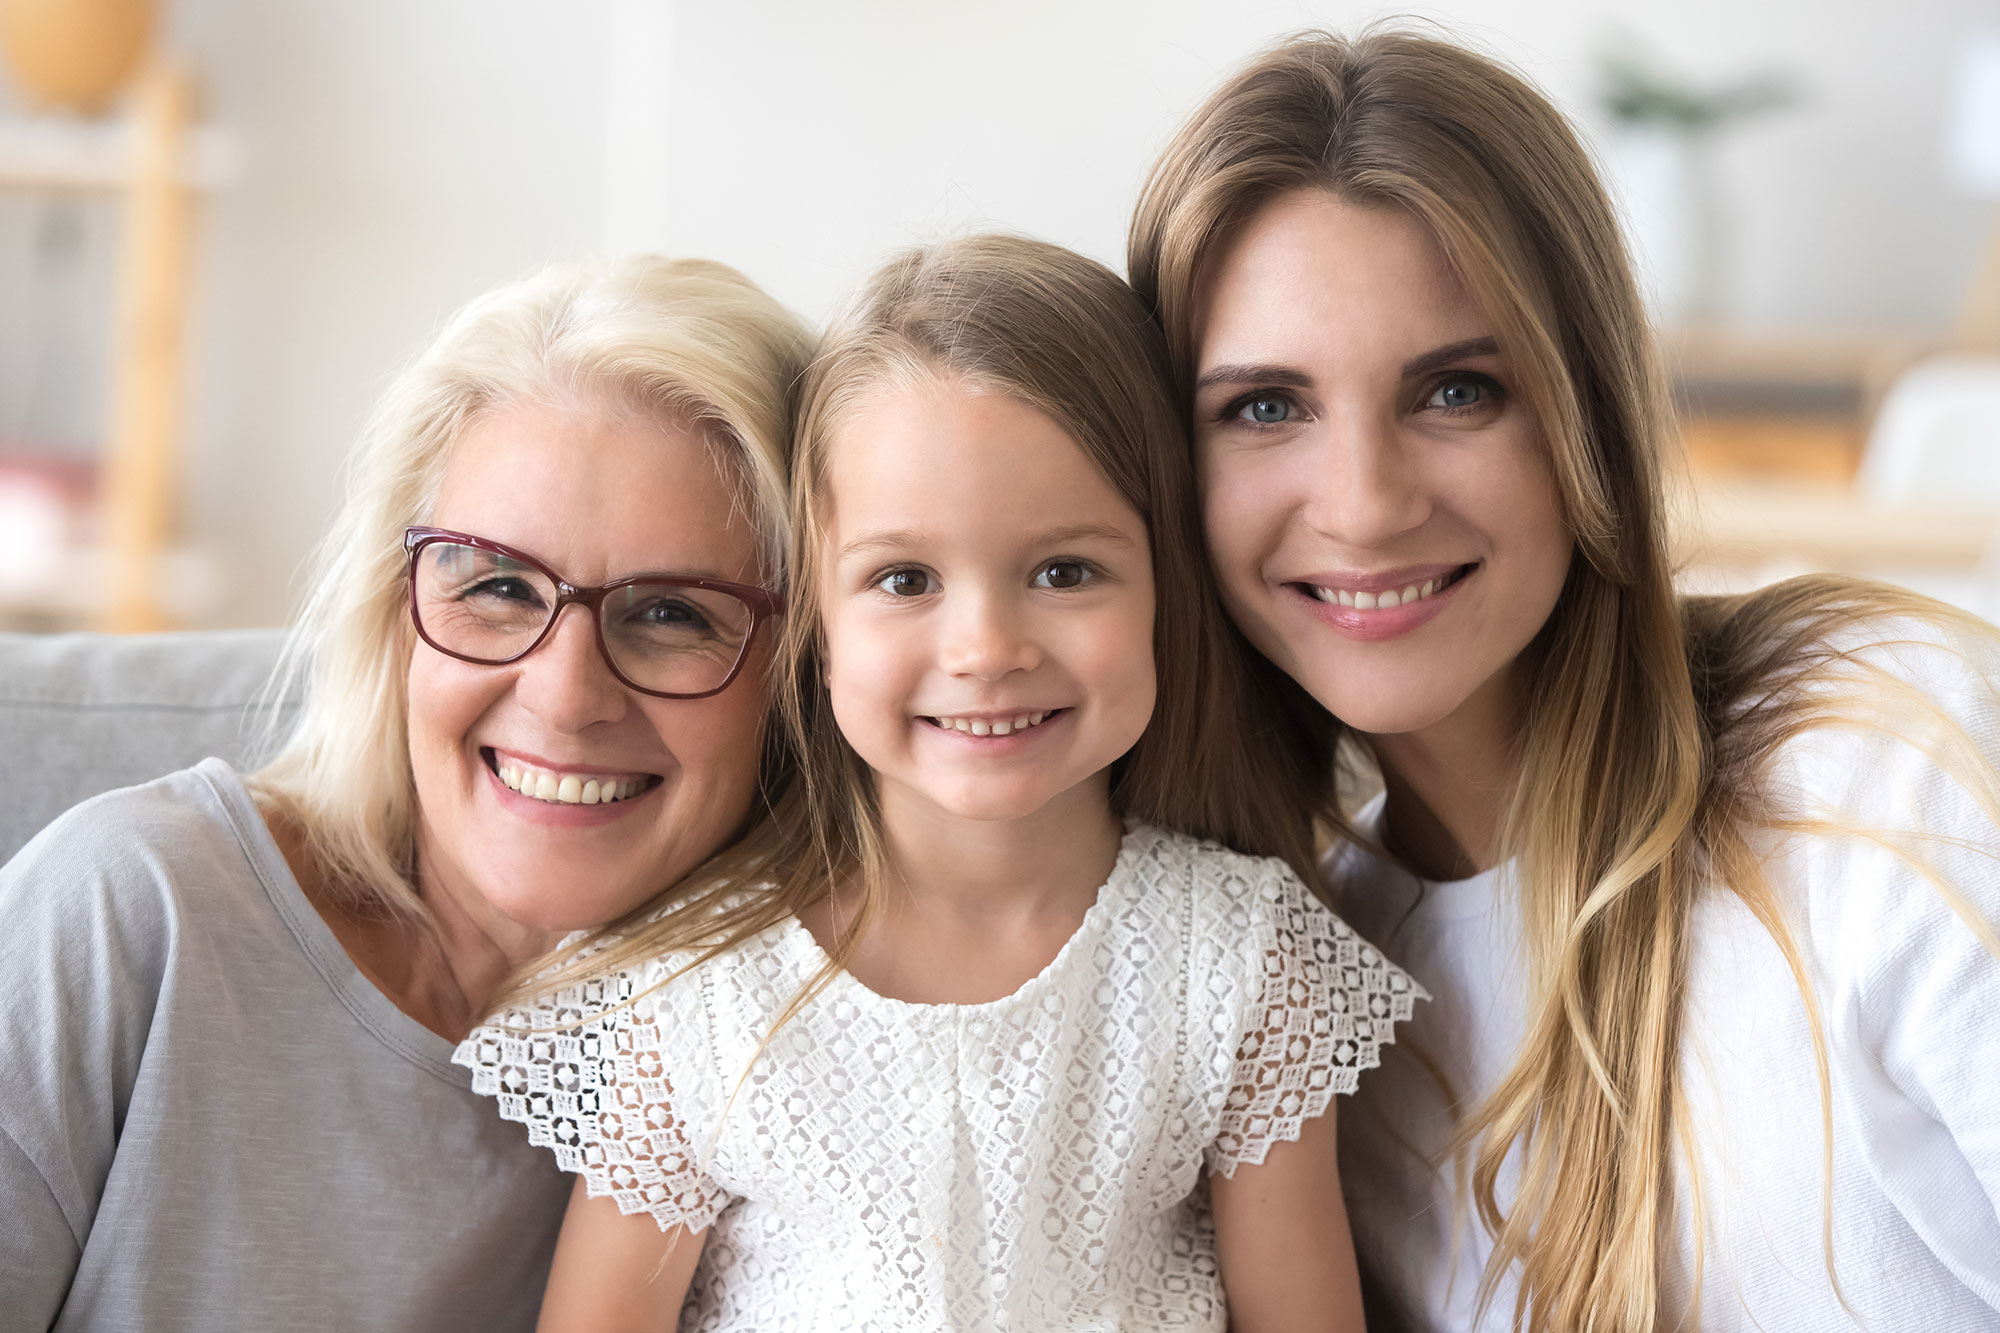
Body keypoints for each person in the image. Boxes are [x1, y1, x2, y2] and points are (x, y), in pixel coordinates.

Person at [1128, 28, 2000, 1333]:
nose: (1364, 507)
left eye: (1457, 390)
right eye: (1264, 407)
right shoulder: (1297, 1006)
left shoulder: (1880, 754)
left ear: (1583, 412)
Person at [455, 234, 1422, 1331]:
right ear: (814, 619)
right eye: (903, 578)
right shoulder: (694, 990)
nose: (984, 647)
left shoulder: (1241, 960)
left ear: (1167, 583)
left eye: (1063, 570)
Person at [0, 255, 811, 1332]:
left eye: (672, 613)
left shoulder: (778, 1065)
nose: (565, 698)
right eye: (496, 586)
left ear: (803, 672)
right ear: (393, 613)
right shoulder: (127, 911)